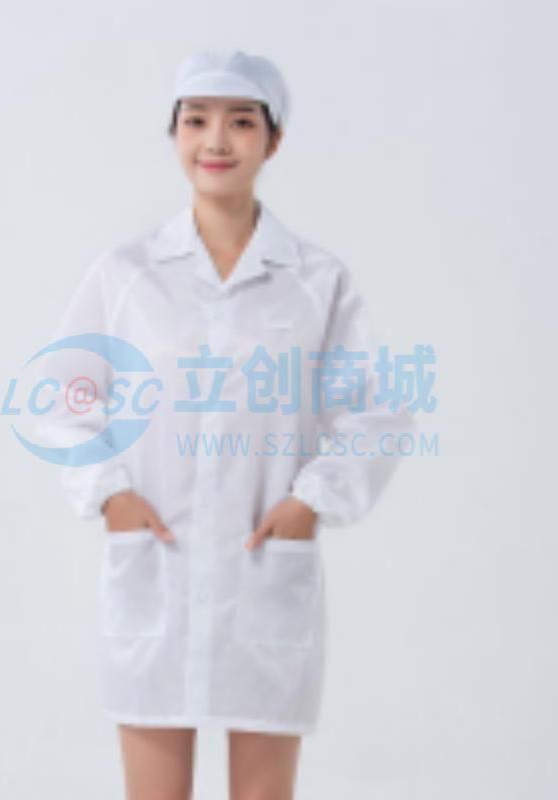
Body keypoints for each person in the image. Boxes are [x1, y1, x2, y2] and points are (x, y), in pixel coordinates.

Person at [35, 49, 415, 800]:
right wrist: (110, 493)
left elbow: (379, 407)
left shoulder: (316, 281)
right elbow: (58, 391)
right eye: (196, 120)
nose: (216, 140)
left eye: (241, 122)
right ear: (174, 133)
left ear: (274, 141)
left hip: (264, 570)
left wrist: (312, 500)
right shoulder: (128, 275)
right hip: (156, 569)